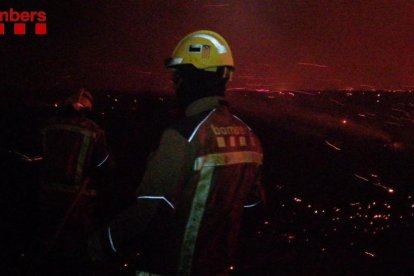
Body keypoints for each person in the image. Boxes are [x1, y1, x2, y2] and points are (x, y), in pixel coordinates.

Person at [88, 30, 265, 275]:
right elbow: (252, 207)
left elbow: (148, 211)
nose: (174, 84)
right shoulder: (249, 137)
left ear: (192, 78)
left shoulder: (183, 135)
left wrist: (97, 246)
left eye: (178, 77)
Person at [34, 88, 109, 272]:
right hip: (79, 197)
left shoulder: (47, 126)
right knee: (75, 244)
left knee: (48, 239)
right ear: (87, 109)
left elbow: (39, 155)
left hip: (47, 193)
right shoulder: (94, 131)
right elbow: (104, 162)